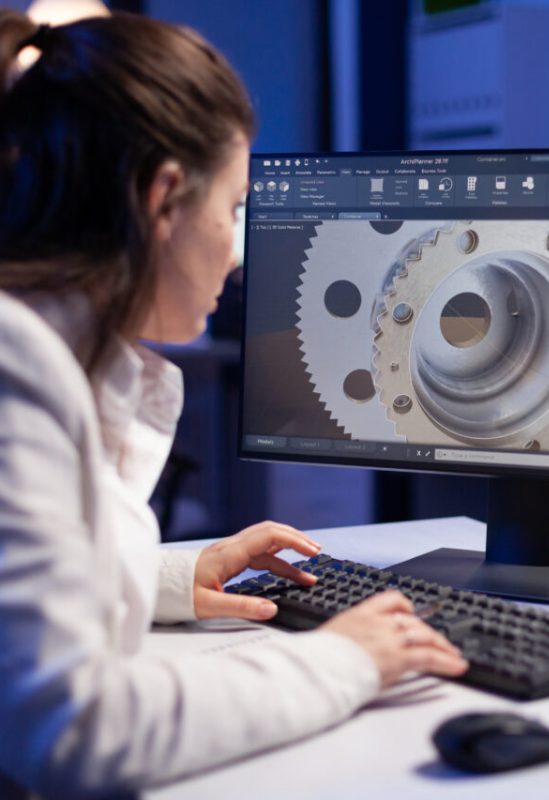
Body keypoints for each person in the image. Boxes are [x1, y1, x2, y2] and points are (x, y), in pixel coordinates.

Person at [0, 11, 467, 799]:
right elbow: (73, 728)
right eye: (235, 208)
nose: (240, 249)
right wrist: (343, 660)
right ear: (164, 199)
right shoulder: (17, 366)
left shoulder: (44, 350)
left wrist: (178, 578)